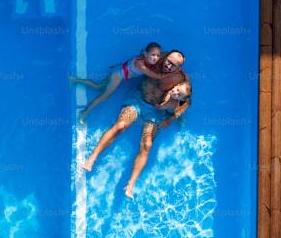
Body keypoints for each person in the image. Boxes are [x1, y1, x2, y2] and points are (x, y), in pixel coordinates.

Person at [80, 49, 191, 199]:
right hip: (138, 99)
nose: (169, 66)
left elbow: (186, 102)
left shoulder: (180, 80)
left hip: (155, 110)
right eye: (169, 62)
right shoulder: (154, 60)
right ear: (165, 57)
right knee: (121, 126)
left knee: (147, 145)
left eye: (174, 66)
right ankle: (92, 158)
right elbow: (134, 63)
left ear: (179, 68)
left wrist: (170, 119)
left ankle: (130, 185)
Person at [122, 80, 192, 198]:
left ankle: (179, 120)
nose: (175, 93)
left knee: (173, 115)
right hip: (170, 107)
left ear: (183, 99)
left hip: (168, 109)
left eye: (179, 94)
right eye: (176, 90)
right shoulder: (173, 92)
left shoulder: (178, 103)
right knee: (172, 114)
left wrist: (154, 100)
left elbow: (160, 107)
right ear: (177, 85)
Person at [69, 42, 162, 123]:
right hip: (117, 76)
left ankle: (74, 80)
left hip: (117, 69)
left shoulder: (143, 56)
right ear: (146, 54)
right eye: (153, 55)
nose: (155, 58)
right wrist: (169, 75)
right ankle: (84, 113)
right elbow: (155, 75)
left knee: (98, 87)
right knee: (104, 96)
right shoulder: (142, 65)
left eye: (158, 55)